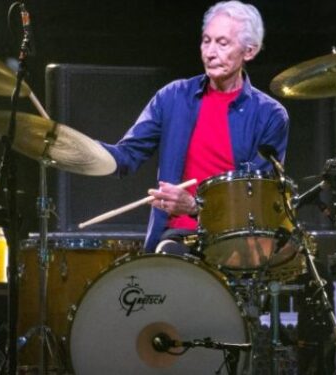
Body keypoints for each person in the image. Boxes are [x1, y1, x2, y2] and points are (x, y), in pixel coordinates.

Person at [100, 0, 289, 253]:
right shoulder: (173, 97)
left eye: (222, 43)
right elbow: (125, 157)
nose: (210, 52)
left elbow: (255, 201)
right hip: (177, 236)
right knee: (167, 257)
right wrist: (74, 148)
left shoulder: (270, 115)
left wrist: (195, 206)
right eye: (206, 40)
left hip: (236, 239)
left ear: (249, 51)